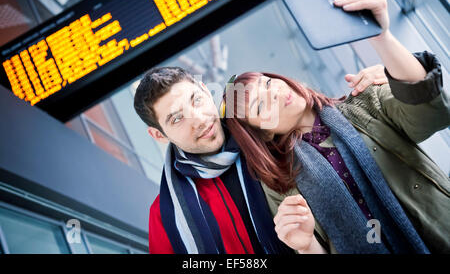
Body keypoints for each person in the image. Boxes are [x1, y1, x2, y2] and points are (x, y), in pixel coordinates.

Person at [221, 0, 450, 254]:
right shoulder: (280, 182)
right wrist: (306, 247)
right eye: (259, 107)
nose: (274, 94)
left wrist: (381, 36)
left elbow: (430, 112)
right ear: (265, 133)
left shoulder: (364, 102)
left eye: (268, 83)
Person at [133, 62, 388, 254]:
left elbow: (316, 111)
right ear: (158, 134)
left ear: (204, 89)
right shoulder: (166, 217)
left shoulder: (268, 133)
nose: (199, 120)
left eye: (197, 100)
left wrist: (386, 77)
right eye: (177, 119)